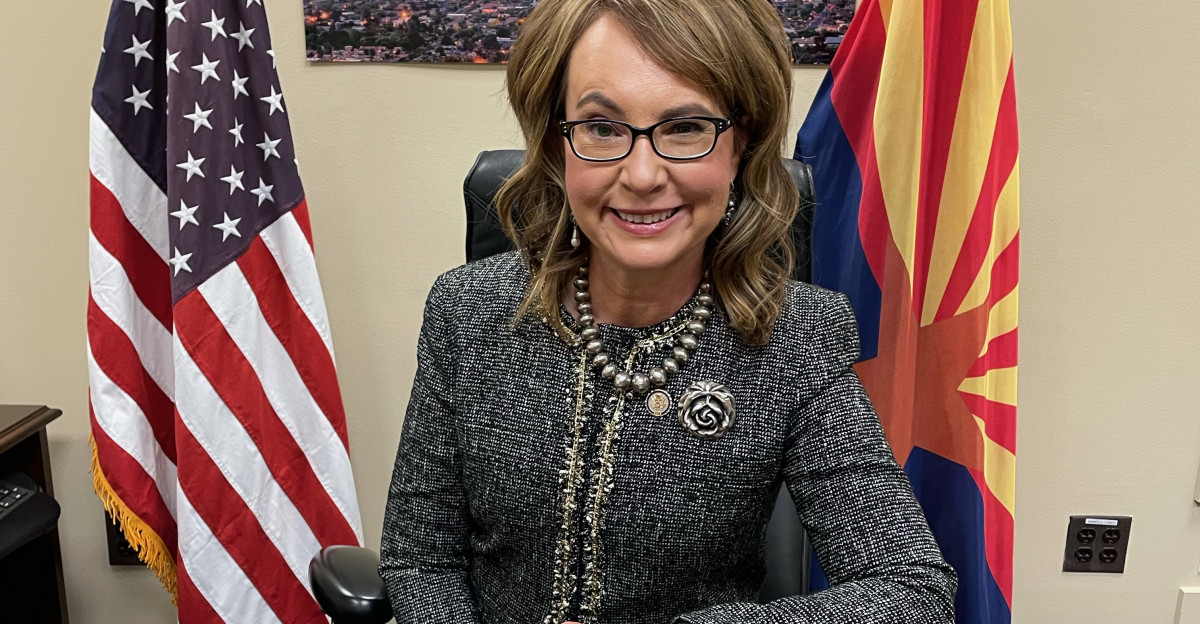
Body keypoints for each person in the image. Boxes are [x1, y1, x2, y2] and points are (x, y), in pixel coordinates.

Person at [379, 0, 957, 622]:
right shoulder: (466, 312)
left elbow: (912, 591)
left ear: (741, 147)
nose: (643, 174)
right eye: (602, 127)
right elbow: (421, 559)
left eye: (685, 128)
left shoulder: (800, 335)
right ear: (556, 142)